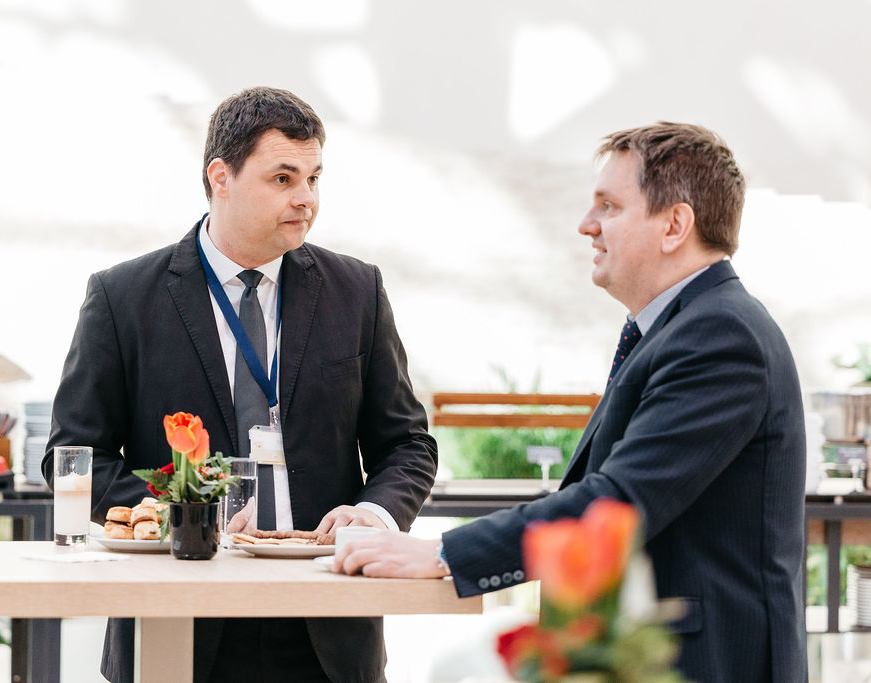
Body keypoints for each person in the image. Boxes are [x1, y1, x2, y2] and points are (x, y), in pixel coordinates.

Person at [337, 122, 806, 682]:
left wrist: (444, 553)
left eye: (609, 206)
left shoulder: (721, 336)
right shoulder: (683, 328)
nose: (587, 225)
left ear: (675, 225)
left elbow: (619, 503)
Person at [44, 86, 437, 683]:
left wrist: (375, 515)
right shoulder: (122, 297)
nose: (306, 198)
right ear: (220, 177)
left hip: (327, 625)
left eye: (313, 178)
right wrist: (184, 515)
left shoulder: (358, 291)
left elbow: (407, 444)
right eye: (283, 178)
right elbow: (74, 455)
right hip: (178, 622)